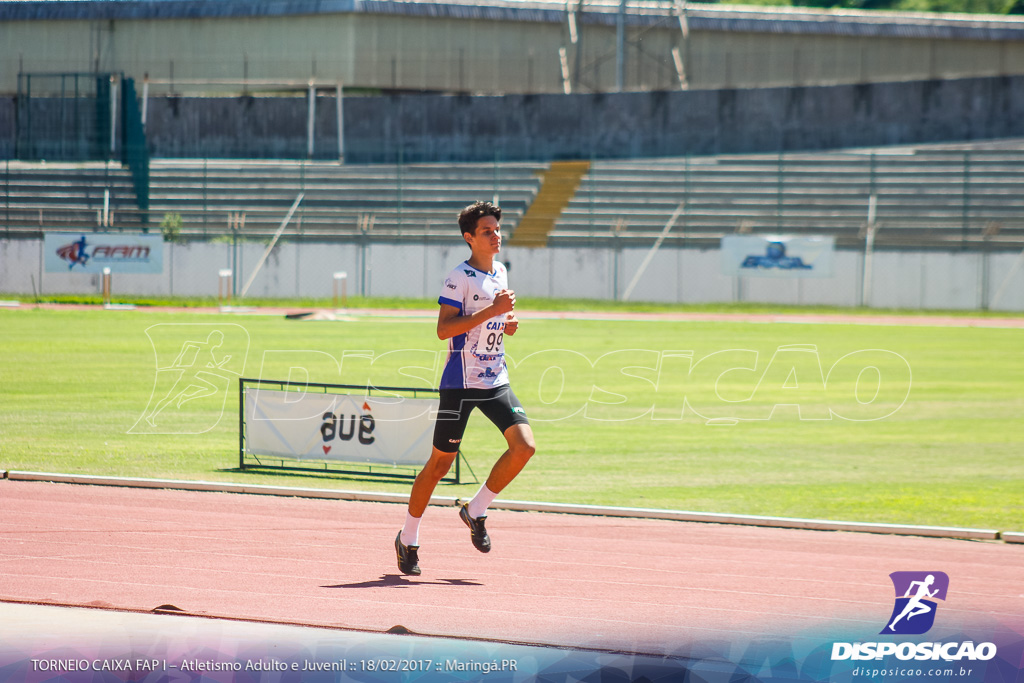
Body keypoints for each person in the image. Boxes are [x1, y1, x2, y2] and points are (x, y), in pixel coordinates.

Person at [395, 201, 536, 576]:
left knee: (525, 447)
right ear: (469, 238)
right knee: (440, 464)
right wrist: (492, 312)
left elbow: (492, 319)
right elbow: (444, 329)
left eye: (497, 229)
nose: (495, 236)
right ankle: (408, 538)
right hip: (460, 383)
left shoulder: (501, 271)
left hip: (494, 379)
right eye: (487, 231)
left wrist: (505, 323)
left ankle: (476, 510)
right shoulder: (459, 277)